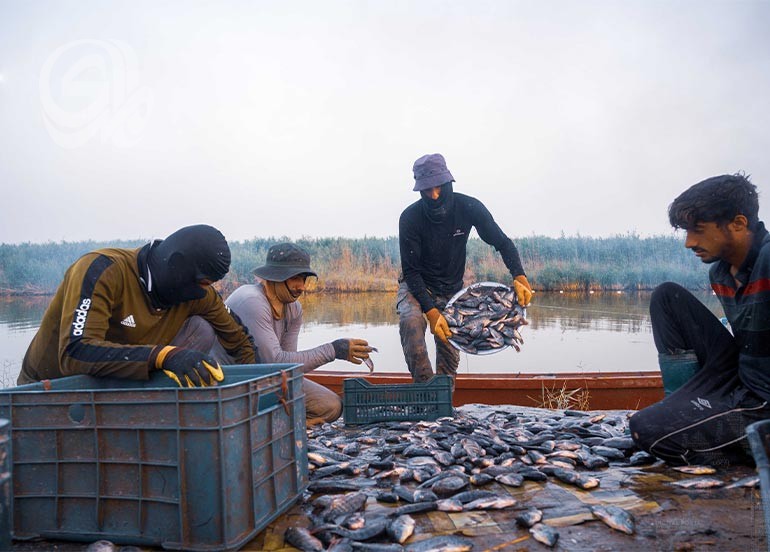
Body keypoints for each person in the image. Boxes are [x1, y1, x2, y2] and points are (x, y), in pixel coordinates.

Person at [630, 173, 770, 466]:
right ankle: (683, 402)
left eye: (698, 230)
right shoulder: (720, 273)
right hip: (742, 371)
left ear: (738, 224)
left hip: (763, 400)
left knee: (649, 431)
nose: (689, 242)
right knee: (667, 297)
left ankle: (739, 458)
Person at [19, 224, 258, 388]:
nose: (206, 291)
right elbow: (76, 352)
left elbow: (241, 342)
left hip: (118, 389)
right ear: (177, 267)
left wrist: (259, 386)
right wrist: (163, 355)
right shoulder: (102, 270)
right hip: (49, 391)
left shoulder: (199, 293)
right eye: (205, 283)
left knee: (202, 328)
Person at [398, 153, 533, 383]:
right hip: (416, 285)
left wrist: (519, 275)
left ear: (448, 181)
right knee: (412, 325)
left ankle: (444, 397)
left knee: (449, 354)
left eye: (439, 187)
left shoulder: (469, 207)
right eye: (427, 190)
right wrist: (431, 311)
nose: (434, 195)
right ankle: (424, 391)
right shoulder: (410, 218)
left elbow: (502, 242)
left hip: (452, 290)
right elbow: (411, 272)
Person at [212, 243, 372, 423]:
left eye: (303, 279)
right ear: (275, 277)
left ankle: (286, 426)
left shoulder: (294, 308)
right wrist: (334, 350)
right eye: (295, 278)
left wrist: (335, 350)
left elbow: (289, 366)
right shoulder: (252, 301)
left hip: (265, 380)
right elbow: (274, 363)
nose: (301, 286)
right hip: (230, 383)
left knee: (331, 406)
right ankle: (276, 424)